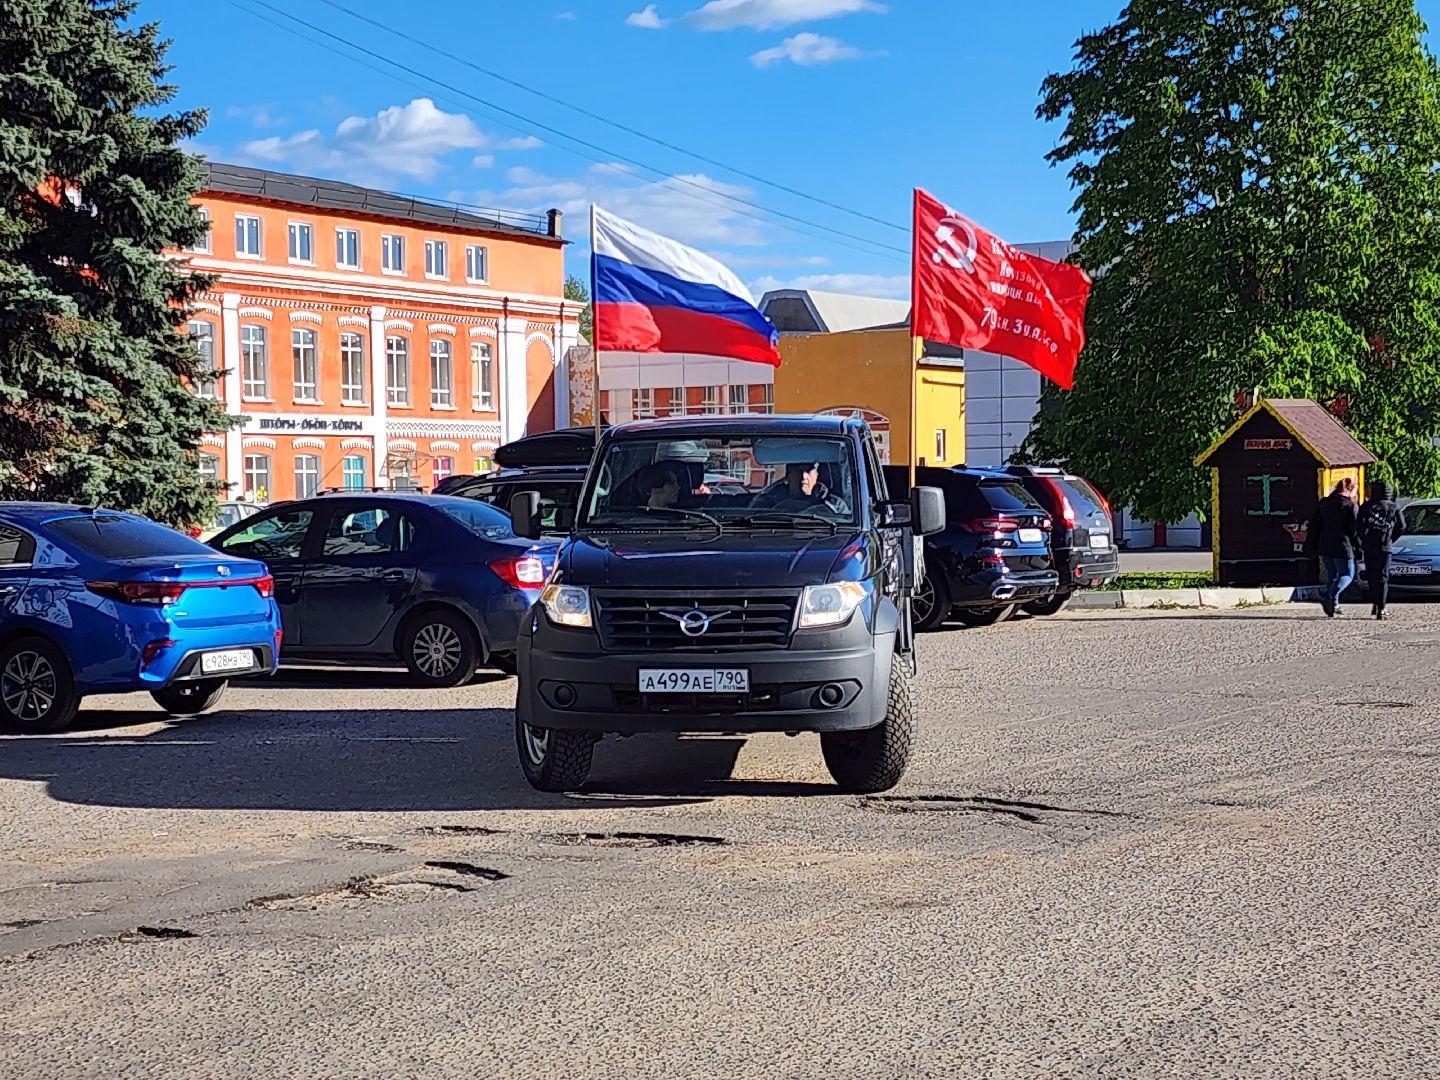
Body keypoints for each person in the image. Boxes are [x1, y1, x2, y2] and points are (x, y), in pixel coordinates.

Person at [1308, 476, 1359, 617]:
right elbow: (1354, 530)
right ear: (1351, 489)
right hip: (1343, 546)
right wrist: (1359, 547)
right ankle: (1329, 596)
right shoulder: (1350, 506)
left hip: (1325, 545)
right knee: (1347, 575)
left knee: (1332, 576)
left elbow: (1316, 524)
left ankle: (1334, 605)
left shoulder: (1325, 503)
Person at [1357, 480, 1406, 620]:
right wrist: (1391, 538)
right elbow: (1402, 526)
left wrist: (1364, 538)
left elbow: (1358, 525)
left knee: (1372, 577)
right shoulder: (1394, 507)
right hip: (1385, 547)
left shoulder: (1366, 506)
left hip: (1369, 546)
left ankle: (1375, 603)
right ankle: (1382, 607)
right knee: (1383, 578)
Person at [752, 462, 846, 514]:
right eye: (798, 471)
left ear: (817, 475)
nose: (804, 476)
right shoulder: (767, 502)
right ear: (788, 475)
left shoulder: (834, 505)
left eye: (808, 471)